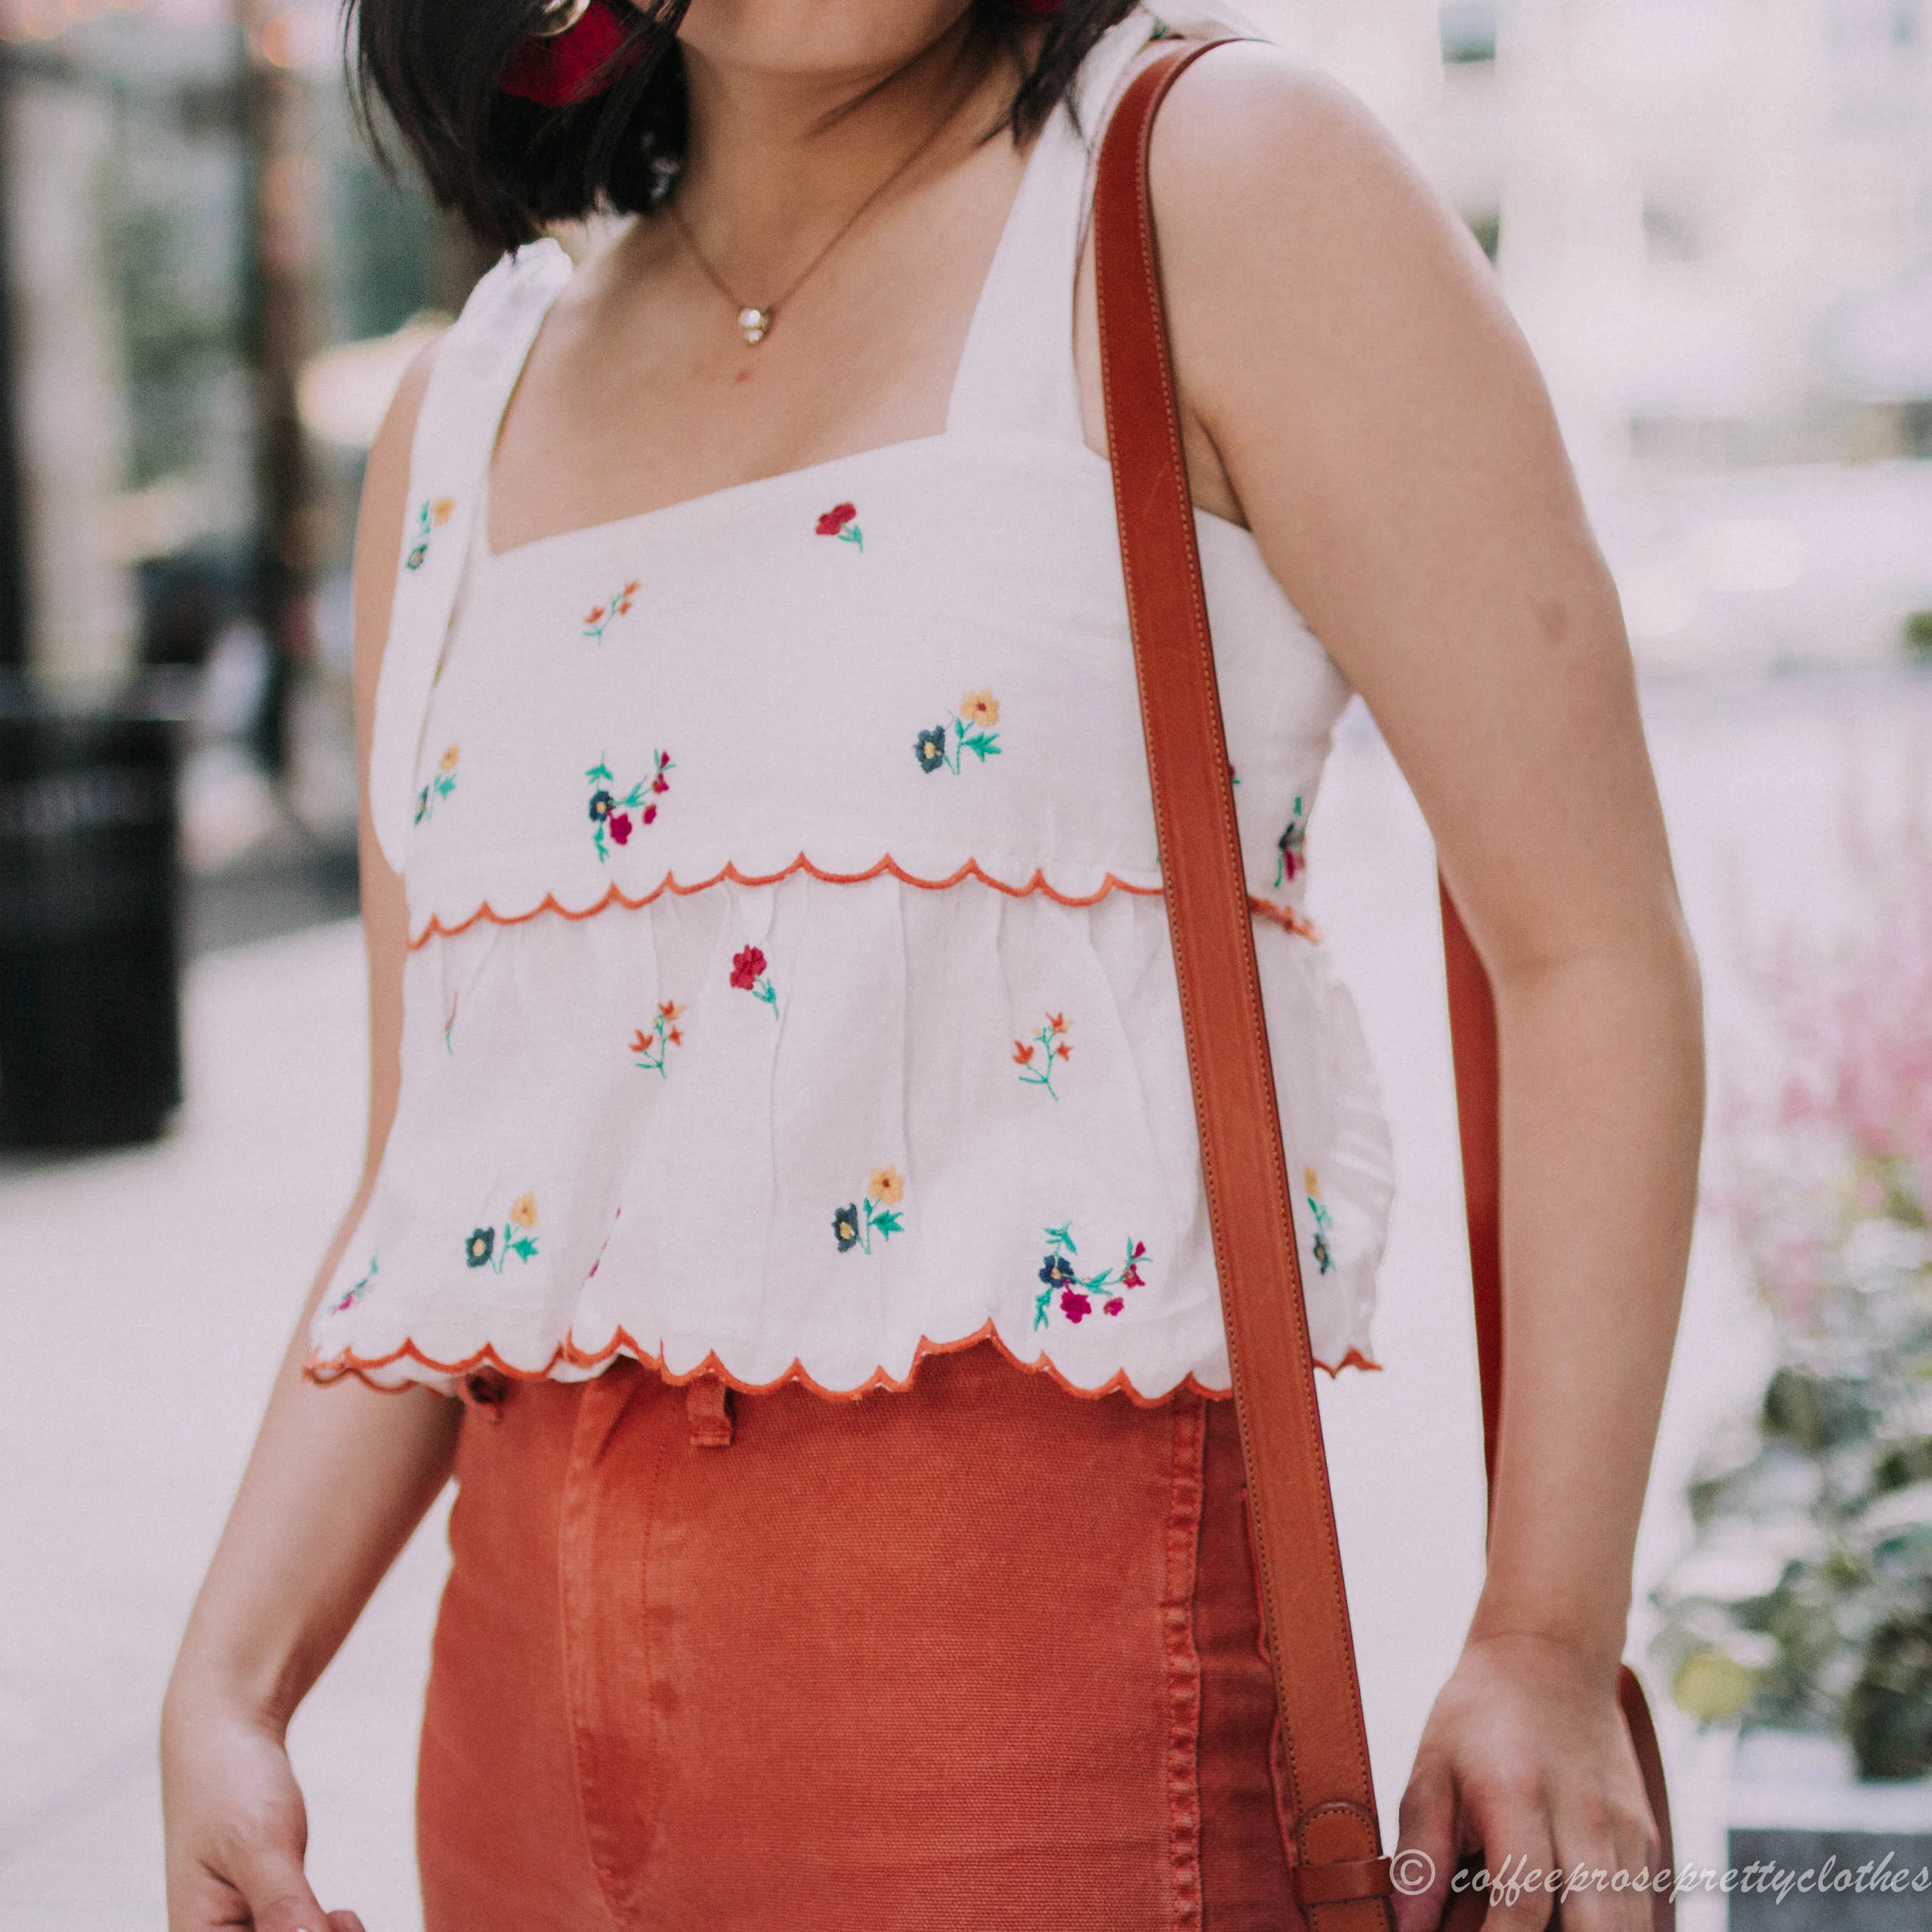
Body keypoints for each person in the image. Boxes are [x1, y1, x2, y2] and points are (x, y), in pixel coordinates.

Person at [161, 2, 1704, 1927]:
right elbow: (435, 1175)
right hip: (505, 1758)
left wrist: (1545, 1625)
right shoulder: (459, 410)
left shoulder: (1206, 188)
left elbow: (1584, 949)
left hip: (1019, 1725)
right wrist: (231, 1677)